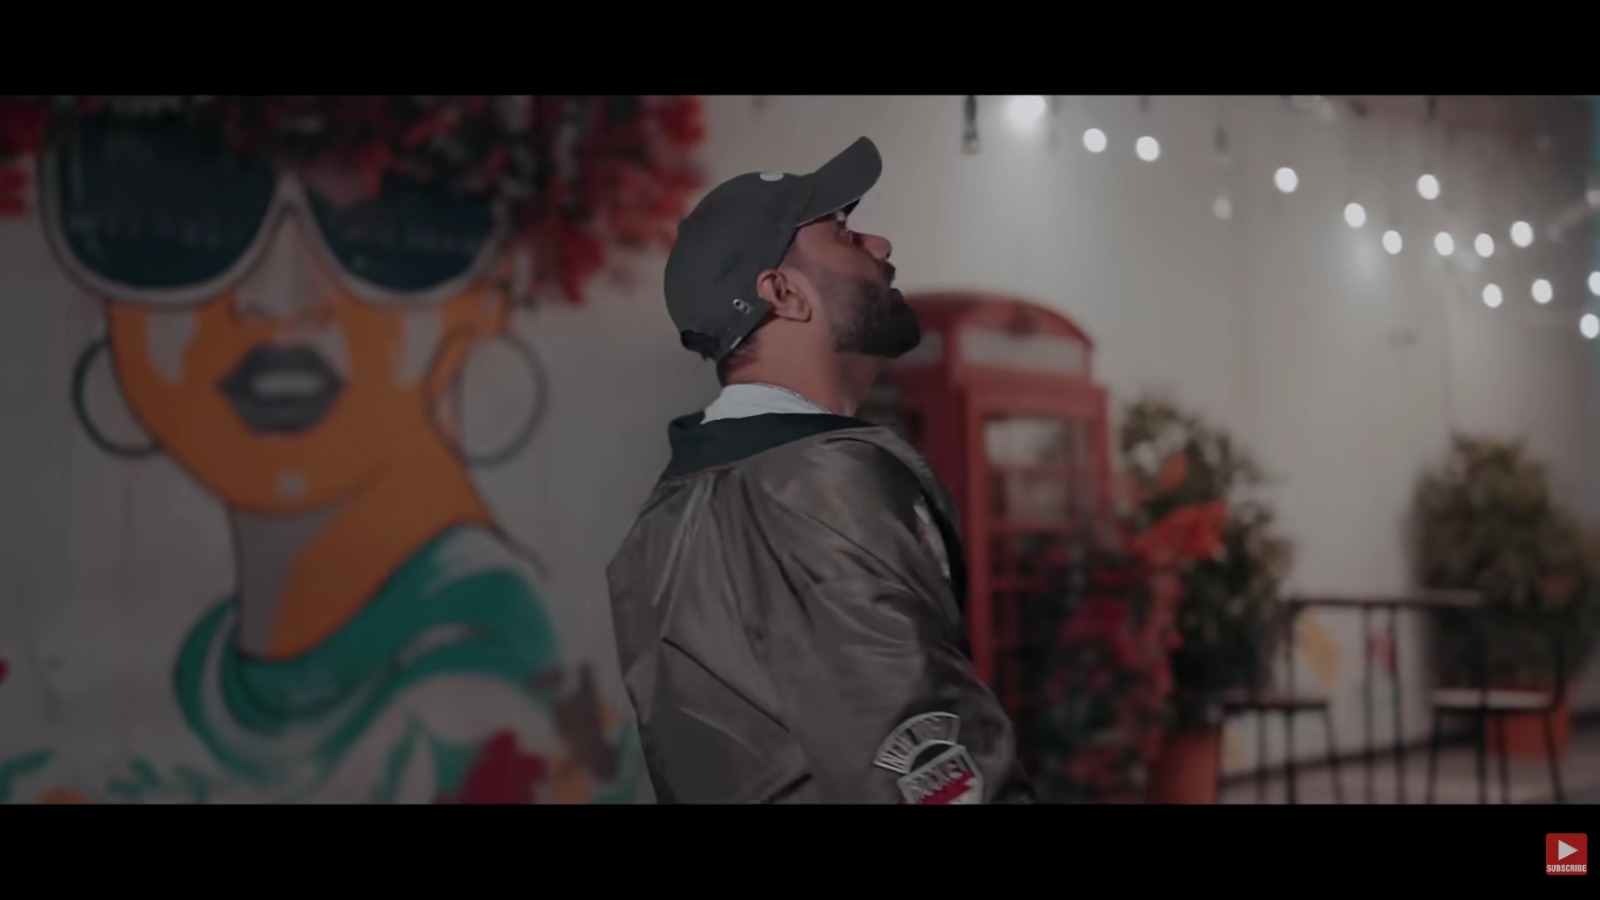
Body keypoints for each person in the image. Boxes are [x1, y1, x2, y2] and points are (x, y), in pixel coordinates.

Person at [606, 136, 1032, 804]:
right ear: (782, 293)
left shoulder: (657, 524)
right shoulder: (823, 486)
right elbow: (924, 756)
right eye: (843, 234)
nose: (880, 245)